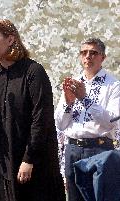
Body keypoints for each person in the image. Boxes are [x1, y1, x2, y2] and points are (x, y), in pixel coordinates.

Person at [0, 19, 65, 201]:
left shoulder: (33, 72)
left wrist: (28, 159)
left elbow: (42, 119)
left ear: (10, 39)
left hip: (34, 166)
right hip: (2, 166)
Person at [55, 38, 120, 201]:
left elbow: (111, 121)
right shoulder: (73, 83)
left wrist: (85, 99)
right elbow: (60, 124)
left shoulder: (113, 85)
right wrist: (69, 104)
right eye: (84, 52)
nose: (88, 56)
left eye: (93, 53)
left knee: (99, 197)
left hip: (99, 149)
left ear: (102, 57)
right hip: (72, 150)